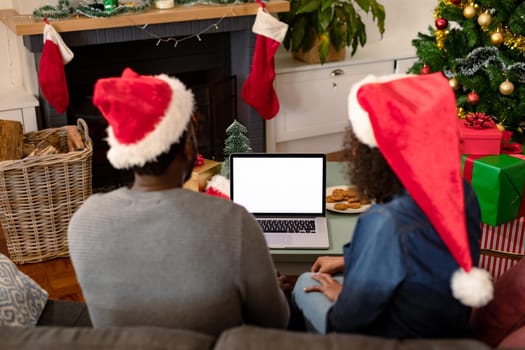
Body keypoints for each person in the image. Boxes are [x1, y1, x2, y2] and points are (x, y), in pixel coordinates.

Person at [67, 68, 289, 336]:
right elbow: (274, 322)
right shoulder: (231, 220)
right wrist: (272, 289)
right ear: (187, 148)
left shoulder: (84, 221)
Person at [291, 73, 494, 337]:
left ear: (371, 153)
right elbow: (423, 260)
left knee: (304, 283)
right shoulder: (463, 191)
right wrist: (348, 261)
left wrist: (342, 295)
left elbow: (349, 320)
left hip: (393, 339)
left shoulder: (386, 220)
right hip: (447, 327)